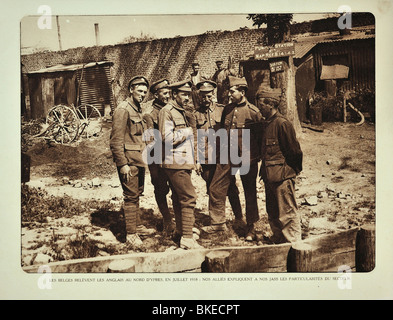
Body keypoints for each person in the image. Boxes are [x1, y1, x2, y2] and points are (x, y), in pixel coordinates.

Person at [204, 76, 263, 240]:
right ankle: (217, 224)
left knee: (249, 193)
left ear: (242, 92)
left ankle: (251, 227)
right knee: (216, 187)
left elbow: (260, 137)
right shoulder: (227, 109)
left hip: (247, 157)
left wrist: (255, 157)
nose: (229, 94)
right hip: (227, 156)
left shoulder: (253, 112)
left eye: (232, 91)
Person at [110, 76, 156, 246]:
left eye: (145, 92)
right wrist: (122, 164)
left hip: (139, 159)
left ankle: (137, 226)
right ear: (131, 90)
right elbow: (116, 140)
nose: (142, 94)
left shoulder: (137, 108)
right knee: (130, 196)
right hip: (129, 162)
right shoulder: (123, 109)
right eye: (139, 91)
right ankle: (131, 234)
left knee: (137, 193)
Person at [158, 79, 202, 249]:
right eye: (183, 94)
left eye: (188, 94)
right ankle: (187, 239)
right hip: (175, 162)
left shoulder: (182, 111)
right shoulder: (167, 112)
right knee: (189, 197)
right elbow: (167, 139)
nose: (187, 98)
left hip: (183, 162)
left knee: (178, 197)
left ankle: (181, 231)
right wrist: (185, 132)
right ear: (174, 94)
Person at [193, 80, 243, 227]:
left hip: (223, 157)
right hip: (206, 158)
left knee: (231, 187)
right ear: (199, 96)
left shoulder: (223, 110)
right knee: (212, 189)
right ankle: (218, 222)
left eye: (208, 96)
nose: (206, 99)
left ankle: (239, 218)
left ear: (213, 94)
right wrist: (196, 160)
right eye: (203, 96)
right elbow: (195, 139)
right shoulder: (195, 114)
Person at [256, 87, 303, 244]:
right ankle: (278, 239)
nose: (259, 108)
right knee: (273, 211)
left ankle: (293, 244)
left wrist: (290, 173)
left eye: (261, 104)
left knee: (287, 213)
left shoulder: (282, 124)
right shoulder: (267, 123)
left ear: (270, 104)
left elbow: (295, 152)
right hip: (270, 177)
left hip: (283, 177)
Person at [142, 79, 175, 235]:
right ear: (156, 95)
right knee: (161, 189)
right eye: (164, 92)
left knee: (177, 188)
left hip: (174, 157)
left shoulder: (173, 111)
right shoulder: (150, 115)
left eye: (169, 92)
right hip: (157, 157)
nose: (168, 95)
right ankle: (167, 219)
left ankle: (180, 221)